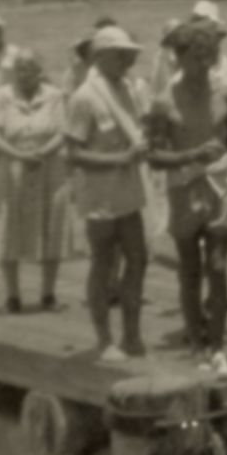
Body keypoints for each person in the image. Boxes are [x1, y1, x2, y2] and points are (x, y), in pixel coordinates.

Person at [145, 19, 227, 377]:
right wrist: (190, 156)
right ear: (180, 58)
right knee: (189, 271)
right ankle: (195, 342)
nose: (205, 66)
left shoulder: (222, 94)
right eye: (198, 58)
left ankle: (216, 346)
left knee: (218, 268)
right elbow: (153, 156)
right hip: (183, 188)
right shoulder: (163, 102)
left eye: (210, 58)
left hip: (219, 187)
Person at [65, 25, 152, 362]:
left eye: (129, 55)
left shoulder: (128, 90)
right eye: (120, 55)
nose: (127, 61)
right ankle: (104, 340)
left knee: (138, 259)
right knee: (103, 263)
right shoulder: (84, 97)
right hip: (99, 194)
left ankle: (132, 335)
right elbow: (72, 153)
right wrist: (120, 158)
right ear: (100, 57)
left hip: (128, 191)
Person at [0, 51, 73, 314]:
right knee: (9, 225)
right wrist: (19, 155)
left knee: (52, 225)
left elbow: (63, 132)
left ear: (39, 71)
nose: (24, 74)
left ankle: (48, 294)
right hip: (12, 165)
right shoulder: (1, 95)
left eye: (30, 69)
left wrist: (42, 153)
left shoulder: (54, 95)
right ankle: (13, 295)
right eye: (20, 69)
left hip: (49, 165)